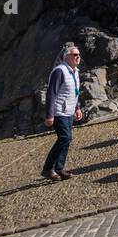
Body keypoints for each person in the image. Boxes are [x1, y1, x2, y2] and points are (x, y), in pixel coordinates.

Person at [42, 44, 83, 181]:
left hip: (69, 111)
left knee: (67, 140)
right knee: (64, 138)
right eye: (75, 55)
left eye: (79, 55)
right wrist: (49, 115)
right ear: (67, 57)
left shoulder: (76, 71)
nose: (78, 57)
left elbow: (75, 91)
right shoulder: (59, 71)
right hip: (59, 111)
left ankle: (59, 169)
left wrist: (77, 107)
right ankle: (48, 169)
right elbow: (51, 94)